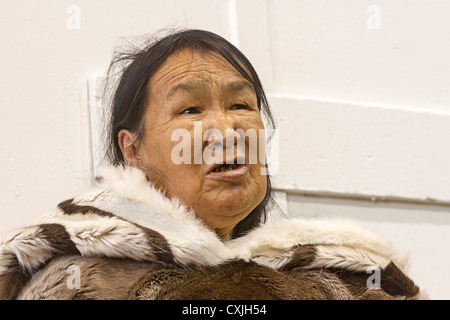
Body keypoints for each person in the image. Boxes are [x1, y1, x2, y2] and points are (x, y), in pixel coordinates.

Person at [0, 29, 426, 300]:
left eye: (241, 104)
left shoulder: (350, 279)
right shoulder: (79, 281)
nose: (225, 129)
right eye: (189, 110)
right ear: (132, 150)